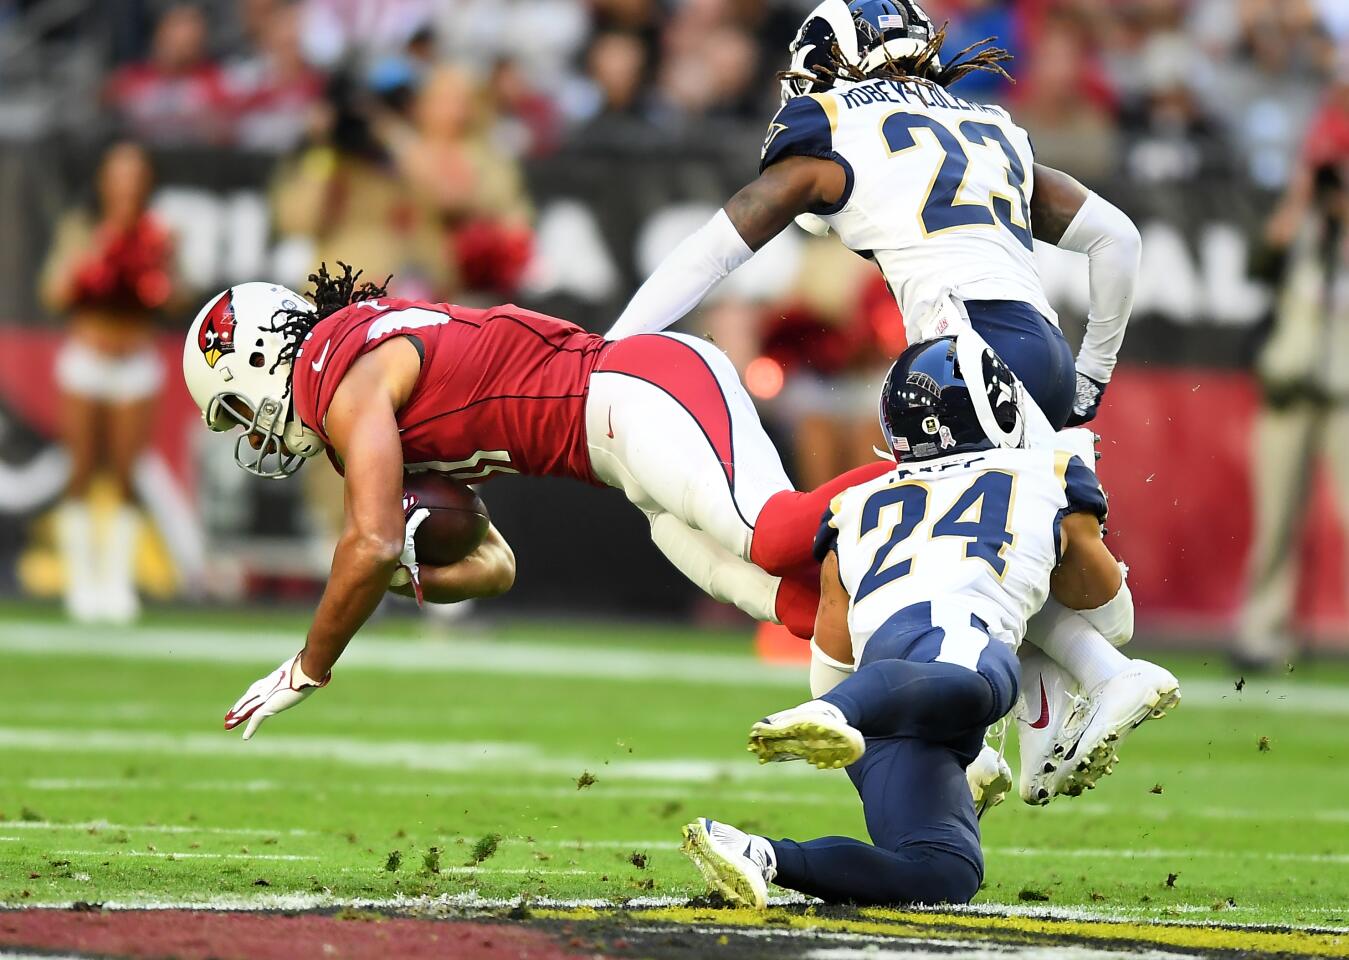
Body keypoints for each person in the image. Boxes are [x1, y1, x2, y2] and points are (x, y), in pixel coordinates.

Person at [605, 0, 1163, 805]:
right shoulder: (986, 125)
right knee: (998, 555)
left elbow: (719, 244)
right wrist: (1090, 373)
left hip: (962, 357)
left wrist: (616, 344)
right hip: (1032, 341)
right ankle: (1040, 727)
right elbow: (1118, 238)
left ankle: (1101, 676)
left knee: (924, 554)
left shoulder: (830, 129)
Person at [181, 266, 808, 738]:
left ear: (260, 358)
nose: (249, 433)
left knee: (776, 535)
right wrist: (406, 572)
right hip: (623, 443)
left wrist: (308, 666)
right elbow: (496, 568)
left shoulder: (337, 379)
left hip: (636, 397)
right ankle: (873, 655)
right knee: (770, 593)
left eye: (234, 410)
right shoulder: (355, 379)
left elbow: (367, 543)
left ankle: (890, 495)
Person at [681, 334, 1179, 908]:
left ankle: (756, 853)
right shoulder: (1045, 471)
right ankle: (831, 719)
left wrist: (851, 710)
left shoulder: (856, 504)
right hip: (945, 648)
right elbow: (1109, 610)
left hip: (880, 705)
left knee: (943, 873)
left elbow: (833, 659)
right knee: (980, 681)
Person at [40, 142, 178, 624]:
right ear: (103, 179)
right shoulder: (81, 227)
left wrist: (159, 268)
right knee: (80, 469)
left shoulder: (161, 233)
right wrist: (93, 254)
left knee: (125, 472)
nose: (126, 183)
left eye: (135, 173)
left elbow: (177, 298)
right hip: (86, 359)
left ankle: (116, 582)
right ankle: (81, 579)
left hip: (136, 362)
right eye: (118, 173)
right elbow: (55, 293)